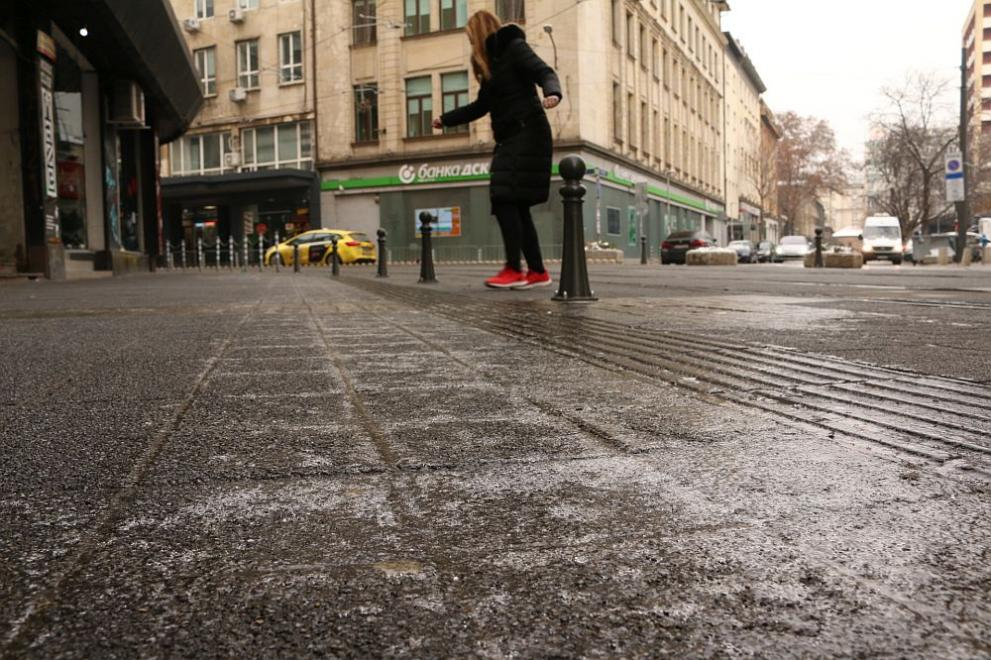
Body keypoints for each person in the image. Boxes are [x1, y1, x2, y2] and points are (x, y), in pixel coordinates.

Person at [433, 10, 561, 290]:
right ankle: (537, 272)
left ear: (479, 34)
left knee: (503, 196)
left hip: (527, 131)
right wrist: (446, 119)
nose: (470, 44)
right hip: (514, 136)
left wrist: (552, 93)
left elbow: (544, 71)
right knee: (516, 204)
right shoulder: (493, 66)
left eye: (470, 37)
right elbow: (481, 106)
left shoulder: (514, 48)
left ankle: (514, 269)